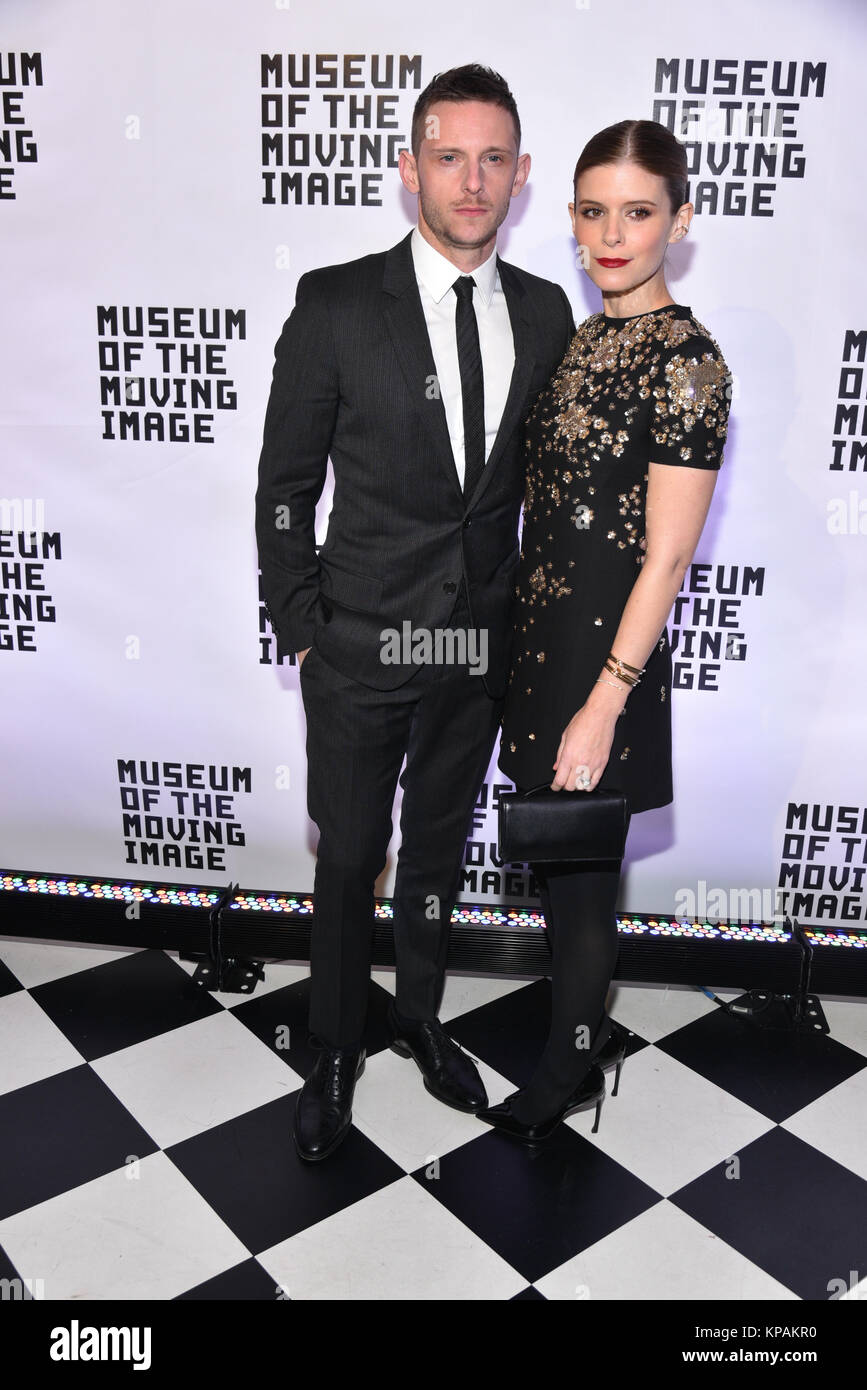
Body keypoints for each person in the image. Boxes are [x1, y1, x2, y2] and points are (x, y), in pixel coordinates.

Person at [255, 65, 576, 1161]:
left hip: (473, 646)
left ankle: (423, 1017)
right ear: (411, 170)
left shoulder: (543, 311)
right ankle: (334, 1050)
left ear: (522, 175)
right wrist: (304, 624)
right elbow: (286, 486)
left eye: (494, 159)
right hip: (362, 643)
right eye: (450, 156)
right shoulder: (340, 301)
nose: (472, 180)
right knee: (351, 857)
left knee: (435, 850)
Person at [479, 119, 733, 1143]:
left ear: (681, 219)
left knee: (584, 882)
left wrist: (604, 700)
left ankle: (568, 1068)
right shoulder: (586, 340)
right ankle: (577, 1029)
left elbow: (667, 558)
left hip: (605, 663)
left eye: (638, 211)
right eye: (593, 211)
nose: (613, 233)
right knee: (562, 866)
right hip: (543, 644)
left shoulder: (689, 361)